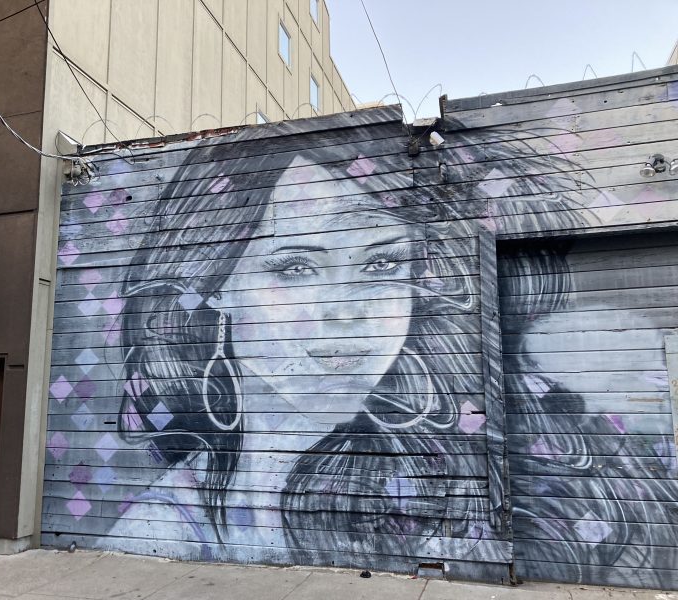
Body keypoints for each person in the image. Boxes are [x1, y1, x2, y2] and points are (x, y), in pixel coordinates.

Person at [107, 127, 672, 577]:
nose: (346, 310)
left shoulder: (453, 470)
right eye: (297, 266)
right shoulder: (162, 525)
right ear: (216, 284)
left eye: (381, 264)